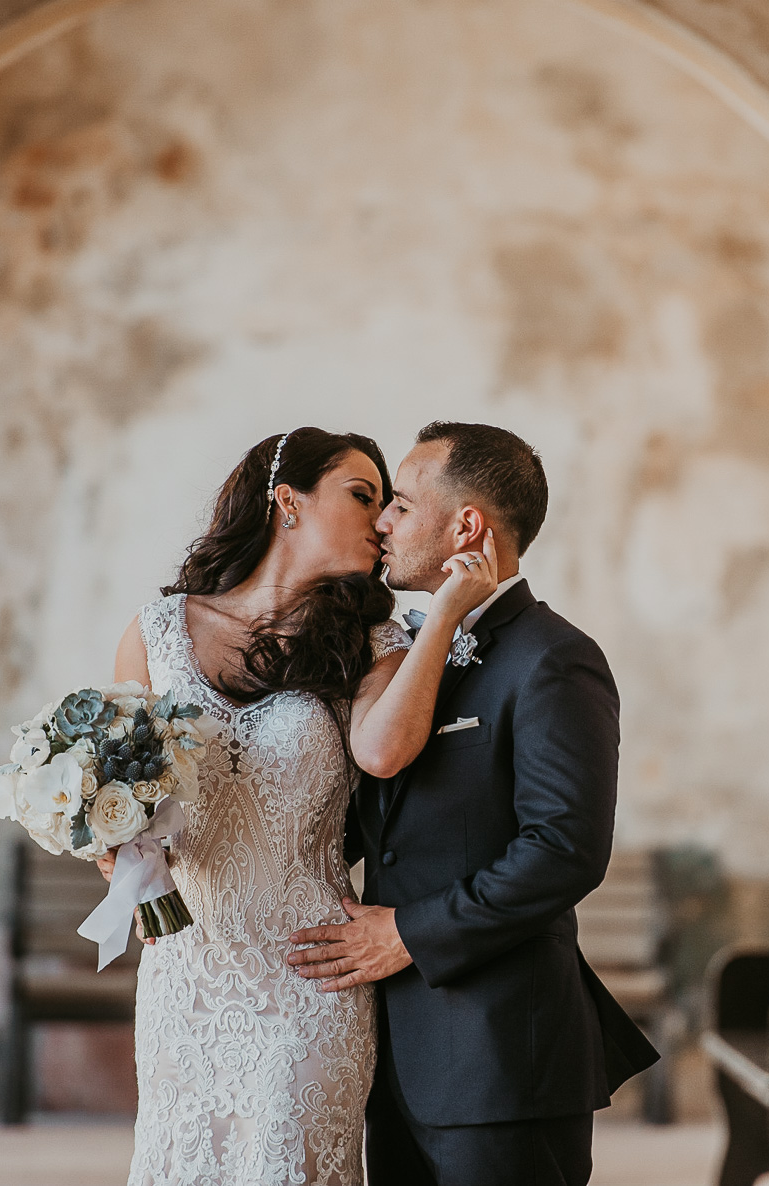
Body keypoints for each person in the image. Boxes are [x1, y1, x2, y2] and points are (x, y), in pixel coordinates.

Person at [102, 426, 500, 1186]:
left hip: (309, 976)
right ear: (287, 501)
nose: (382, 522)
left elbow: (381, 752)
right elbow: (121, 795)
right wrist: (110, 843)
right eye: (362, 497)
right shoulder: (156, 635)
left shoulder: (370, 637)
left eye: (388, 505)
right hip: (187, 978)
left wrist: (443, 616)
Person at [285, 421, 660, 1186]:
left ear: (467, 525)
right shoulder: (406, 652)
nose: (382, 521)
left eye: (400, 504)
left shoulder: (554, 658)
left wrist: (409, 935)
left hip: (501, 1062)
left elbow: (564, 849)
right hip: (394, 1060)